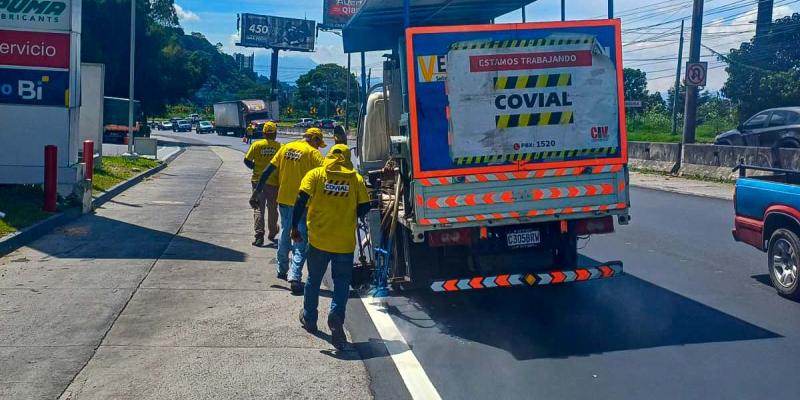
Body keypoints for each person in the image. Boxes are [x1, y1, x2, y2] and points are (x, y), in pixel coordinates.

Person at [292, 144, 370, 349]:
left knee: (313, 280)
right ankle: (336, 316)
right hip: (344, 243)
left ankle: (309, 318)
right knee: (342, 282)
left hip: (318, 240)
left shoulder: (316, 174)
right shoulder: (356, 179)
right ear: (346, 158)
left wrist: (294, 227)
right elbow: (364, 207)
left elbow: (300, 199)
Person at [251, 128, 325, 293]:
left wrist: (256, 192)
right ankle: (295, 276)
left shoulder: (285, 147)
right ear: (313, 139)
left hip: (283, 199)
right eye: (318, 143)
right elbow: (327, 174)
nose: (319, 147)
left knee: (285, 232)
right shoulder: (313, 154)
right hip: (303, 203)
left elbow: (267, 171)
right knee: (300, 238)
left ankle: (282, 269)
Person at [244, 121, 281, 247]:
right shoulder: (279, 147)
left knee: (258, 208)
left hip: (257, 181)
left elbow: (247, 160)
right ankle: (273, 232)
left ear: (264, 133)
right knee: (272, 208)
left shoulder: (257, 145)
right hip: (273, 182)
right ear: (275, 134)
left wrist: (256, 167)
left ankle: (259, 236)